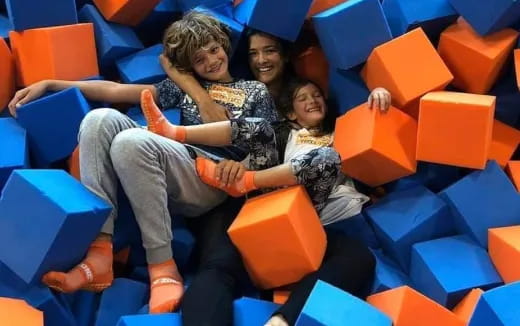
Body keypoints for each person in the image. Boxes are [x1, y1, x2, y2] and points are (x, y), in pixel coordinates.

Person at [8, 11, 278, 314]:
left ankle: (162, 266)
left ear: (224, 45)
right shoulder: (181, 90)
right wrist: (50, 82)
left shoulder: (255, 90)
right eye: (199, 59)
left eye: (213, 50)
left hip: (217, 181)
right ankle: (100, 251)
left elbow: (267, 142)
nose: (211, 61)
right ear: (190, 67)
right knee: (99, 119)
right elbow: (114, 91)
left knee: (130, 141)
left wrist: (244, 166)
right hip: (174, 168)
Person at [141, 76, 387, 326]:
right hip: (269, 202)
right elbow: (247, 143)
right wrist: (235, 170)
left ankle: (281, 320)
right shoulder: (284, 134)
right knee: (260, 128)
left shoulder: (343, 134)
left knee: (328, 160)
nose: (312, 100)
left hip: (311, 214)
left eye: (316, 95)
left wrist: (378, 93)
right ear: (291, 114)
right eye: (302, 98)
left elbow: (374, 136)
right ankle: (173, 132)